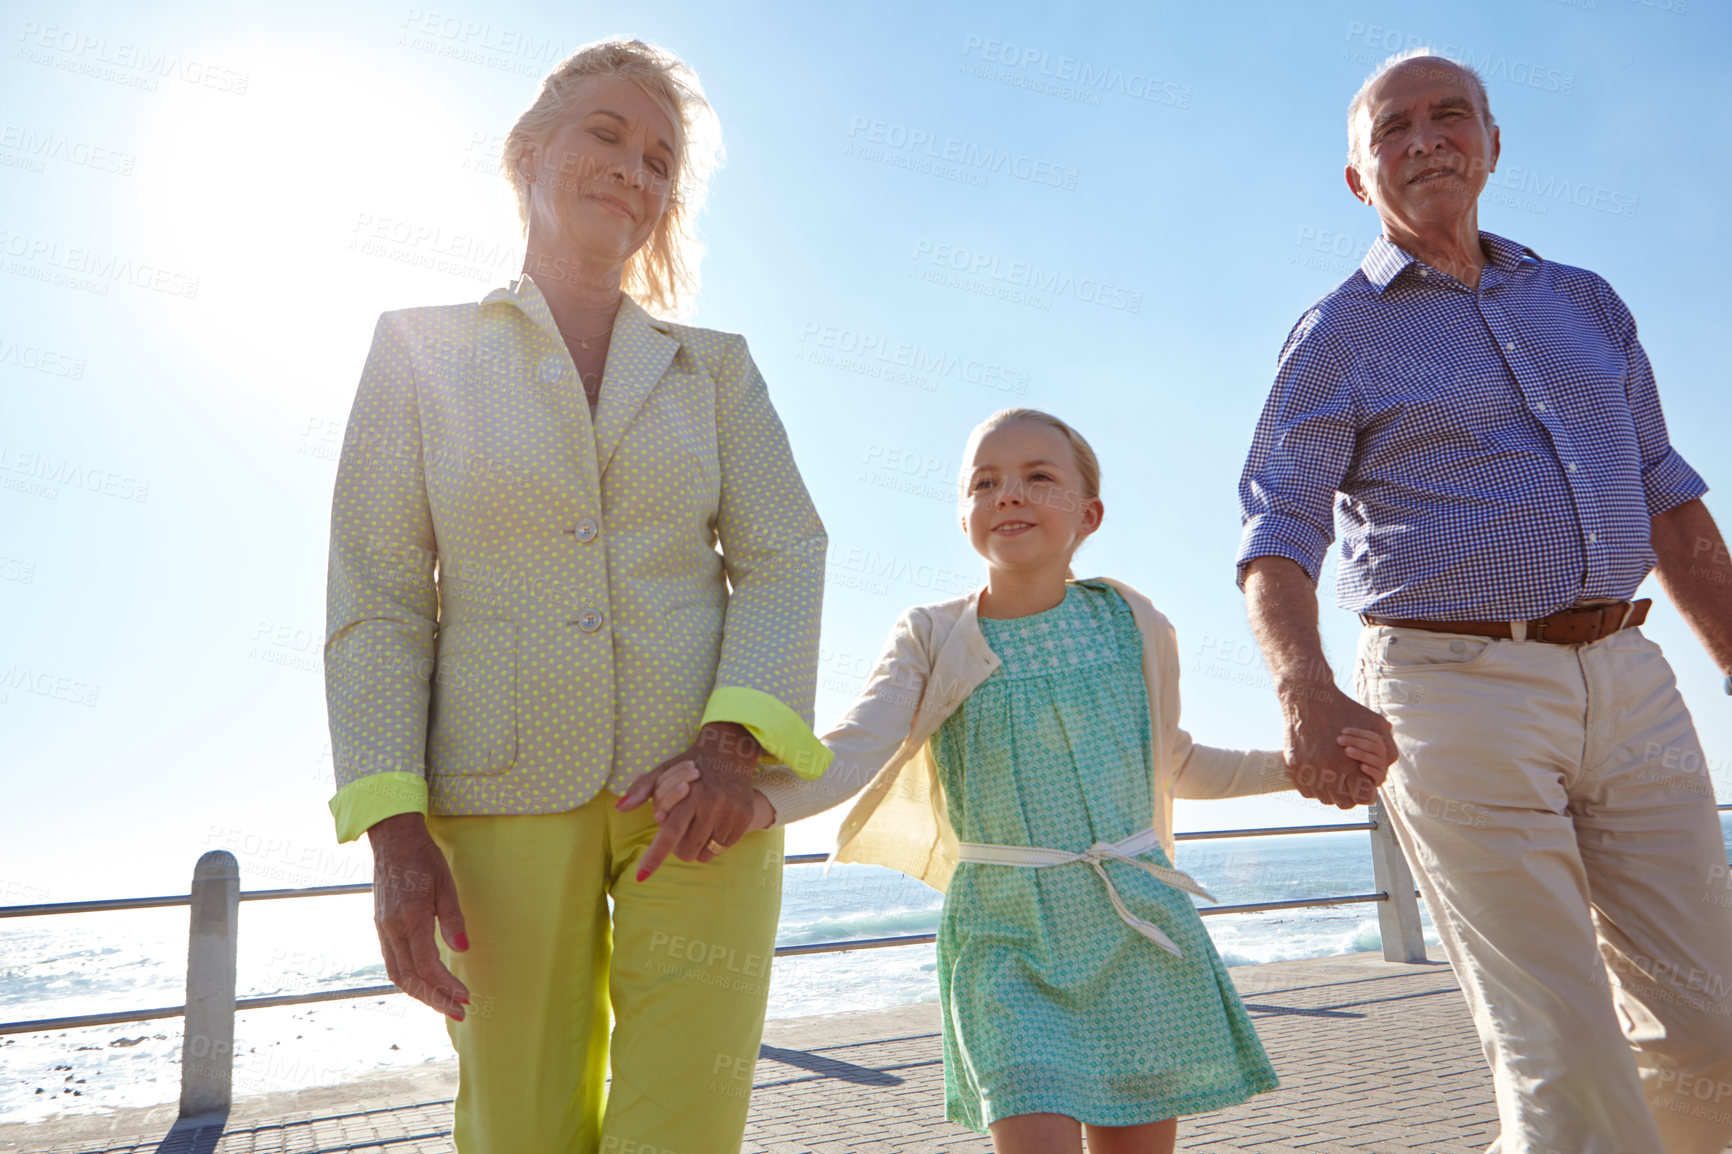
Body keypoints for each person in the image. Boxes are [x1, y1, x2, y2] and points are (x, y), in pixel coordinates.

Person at [628, 408, 1390, 1153]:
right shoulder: (931, 634)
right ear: (964, 519)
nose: (1009, 494)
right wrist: (750, 802)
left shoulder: (1134, 620)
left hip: (1136, 926)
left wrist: (1295, 772)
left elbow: (1175, 762)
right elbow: (855, 750)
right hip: (1005, 934)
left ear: (1089, 514)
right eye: (983, 482)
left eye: (1037, 476)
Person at [321, 38, 830, 1154]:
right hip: (492, 791)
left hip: (696, 795)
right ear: (529, 150)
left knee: (683, 1128)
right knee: (516, 1127)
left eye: (660, 160)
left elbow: (786, 550)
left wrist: (730, 744)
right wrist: (392, 829)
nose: (633, 171)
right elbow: (381, 588)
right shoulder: (416, 353)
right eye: (607, 134)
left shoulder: (717, 368)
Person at [1235, 47, 1732, 1154]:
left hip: (1631, 675)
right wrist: (1303, 690)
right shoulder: (1334, 337)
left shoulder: (1588, 304)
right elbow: (1278, 528)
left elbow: (1670, 500)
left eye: (1447, 116)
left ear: (1492, 144)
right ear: (1358, 178)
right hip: (1453, 691)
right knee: (1560, 1048)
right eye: (1391, 129)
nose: (1424, 141)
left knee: (1713, 1030)